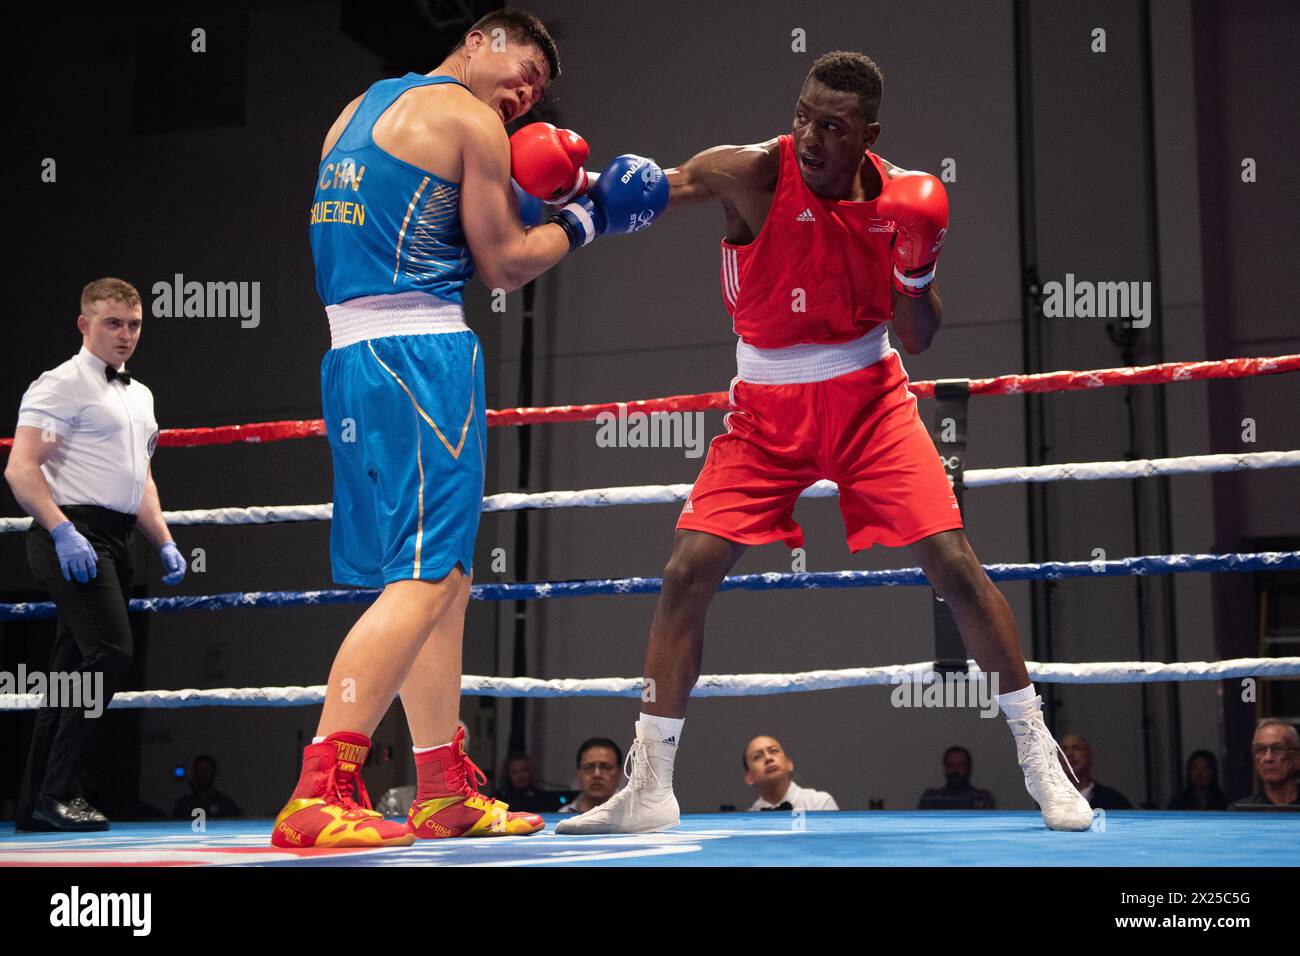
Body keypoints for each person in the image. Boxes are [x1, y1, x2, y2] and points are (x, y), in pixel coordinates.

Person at [556, 50, 1093, 836]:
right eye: (802, 114)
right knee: (685, 572)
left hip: (870, 398)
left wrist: (914, 273)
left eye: (830, 125)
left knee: (954, 565)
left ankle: (1042, 758)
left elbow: (921, 335)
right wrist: (571, 195)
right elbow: (653, 193)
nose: (808, 134)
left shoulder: (899, 200)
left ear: (867, 134)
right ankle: (651, 786)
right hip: (764, 411)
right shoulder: (751, 173)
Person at [272, 8, 668, 848]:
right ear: (478, 40)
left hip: (351, 357)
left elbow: (390, 222)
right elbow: (505, 262)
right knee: (422, 581)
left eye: (539, 89)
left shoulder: (358, 109)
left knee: (441, 580)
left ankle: (443, 787)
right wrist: (587, 216)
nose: (527, 93)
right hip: (421, 357)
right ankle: (319, 789)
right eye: (524, 67)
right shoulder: (472, 120)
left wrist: (528, 191)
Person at [6, 277, 187, 832]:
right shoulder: (58, 384)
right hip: (71, 533)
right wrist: (61, 529)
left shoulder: (140, 394)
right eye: (113, 323)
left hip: (117, 535)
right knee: (110, 653)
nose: (125, 335)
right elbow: (20, 468)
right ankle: (60, 791)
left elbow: (141, 479)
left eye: (133, 325)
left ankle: (36, 802)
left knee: (67, 672)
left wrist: (165, 540)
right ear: (85, 325)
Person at [743, 736, 839, 812]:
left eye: (774, 751)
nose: (768, 758)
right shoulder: (746, 822)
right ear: (749, 777)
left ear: (789, 764)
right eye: (757, 757)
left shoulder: (820, 803)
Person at [1229, 719, 1300, 809]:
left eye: (1278, 749)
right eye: (1260, 750)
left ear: (1297, 758)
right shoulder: (1242, 811)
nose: (1268, 758)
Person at [1059, 734, 1132, 810]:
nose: (1069, 754)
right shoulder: (1047, 799)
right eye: (1064, 749)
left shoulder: (1114, 801)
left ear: (1090, 757)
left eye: (1077, 748)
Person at [557, 738, 624, 815]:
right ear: (579, 773)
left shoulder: (634, 816)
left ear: (619, 772)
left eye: (606, 767)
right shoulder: (561, 816)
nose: (597, 774)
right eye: (589, 767)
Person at [917, 746, 996, 810]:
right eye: (950, 765)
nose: (955, 770)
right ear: (945, 768)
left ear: (968, 768)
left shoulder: (982, 798)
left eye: (960, 765)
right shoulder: (931, 798)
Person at [172, 754, 242, 820]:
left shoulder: (226, 804)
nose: (201, 775)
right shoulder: (184, 804)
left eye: (205, 770)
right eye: (198, 771)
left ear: (214, 772)